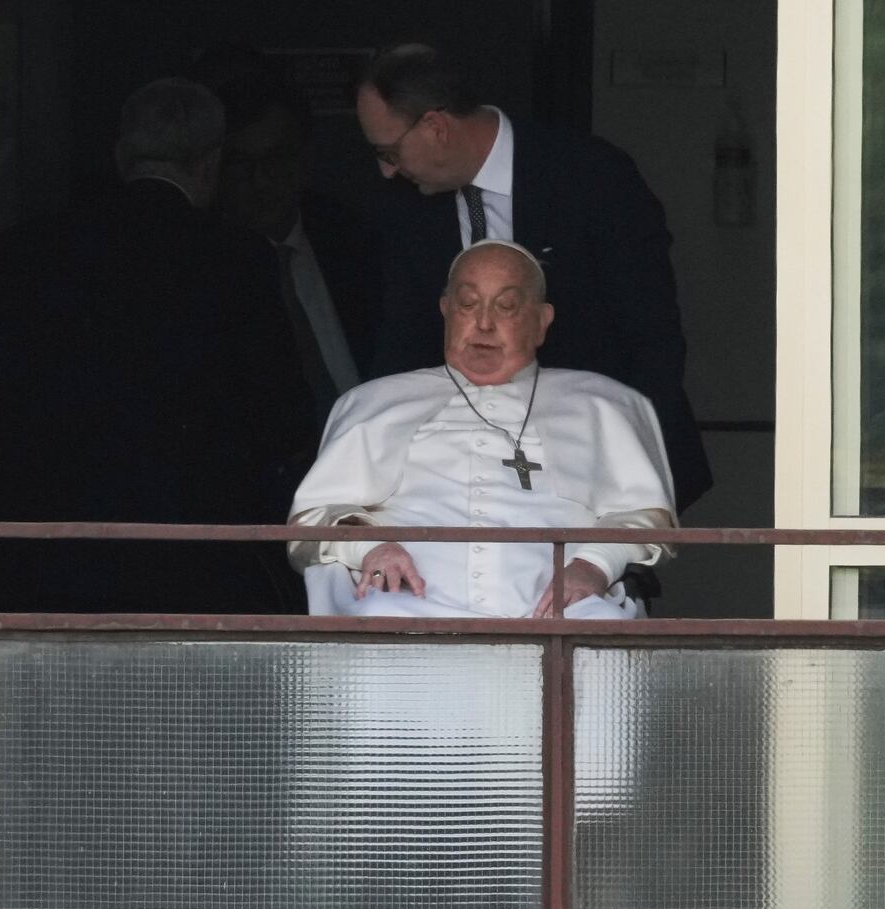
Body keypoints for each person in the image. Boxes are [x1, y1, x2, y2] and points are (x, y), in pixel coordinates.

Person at [0, 77, 316, 613]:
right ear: (210, 164)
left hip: (42, 555)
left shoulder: (29, 249)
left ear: (122, 156)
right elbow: (283, 415)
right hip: (194, 562)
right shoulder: (235, 259)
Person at [355, 43, 712, 512]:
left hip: (598, 460)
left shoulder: (590, 176)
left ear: (436, 127)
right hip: (458, 479)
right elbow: (402, 343)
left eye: (389, 151)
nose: (385, 170)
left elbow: (652, 336)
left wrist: (627, 473)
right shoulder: (407, 208)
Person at [289, 239, 676, 619]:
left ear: (542, 323)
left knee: (600, 629)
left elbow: (644, 516)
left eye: (506, 306)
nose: (484, 323)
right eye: (468, 304)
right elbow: (313, 519)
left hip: (561, 615)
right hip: (406, 608)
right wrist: (372, 548)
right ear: (445, 311)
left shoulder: (604, 405)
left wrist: (594, 564)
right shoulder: (373, 403)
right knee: (377, 616)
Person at [192, 54, 380, 419]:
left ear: (303, 158)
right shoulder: (198, 266)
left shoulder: (352, 243)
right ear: (216, 167)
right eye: (241, 163)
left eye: (276, 159)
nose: (260, 182)